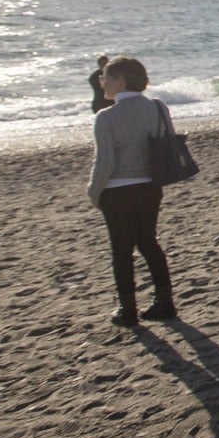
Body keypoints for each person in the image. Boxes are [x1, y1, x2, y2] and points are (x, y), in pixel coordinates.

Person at [87, 55, 177, 327]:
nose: (101, 82)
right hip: (150, 186)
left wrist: (93, 191)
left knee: (121, 250)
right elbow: (168, 141)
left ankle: (128, 309)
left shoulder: (106, 117)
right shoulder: (158, 107)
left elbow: (104, 162)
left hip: (117, 190)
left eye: (105, 77)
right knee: (149, 243)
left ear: (121, 80)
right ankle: (165, 302)